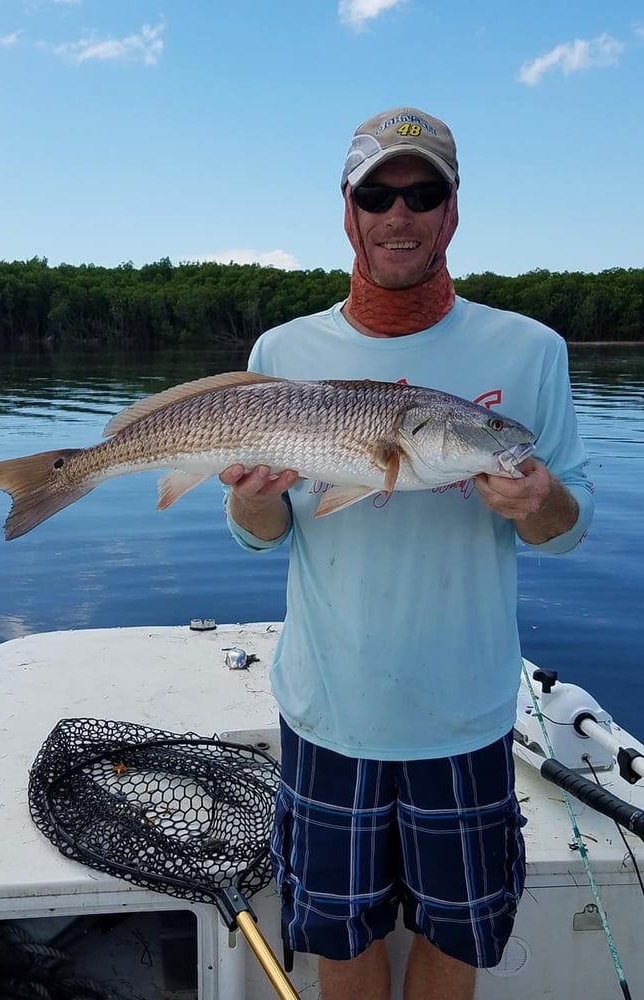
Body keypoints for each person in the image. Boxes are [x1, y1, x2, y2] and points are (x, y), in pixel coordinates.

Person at [220, 106, 594, 1000]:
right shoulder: (283, 352)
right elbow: (257, 534)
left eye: (423, 192)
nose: (401, 213)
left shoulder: (531, 349)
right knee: (337, 934)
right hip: (327, 711)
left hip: (464, 713)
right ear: (347, 209)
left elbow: (569, 528)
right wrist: (247, 497)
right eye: (378, 193)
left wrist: (537, 501)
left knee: (456, 935)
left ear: (452, 209)